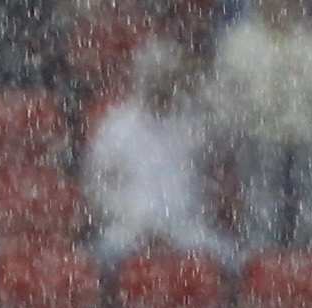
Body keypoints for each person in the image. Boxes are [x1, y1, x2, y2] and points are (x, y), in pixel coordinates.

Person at [207, 0, 312, 251]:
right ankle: (262, 249)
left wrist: (297, 90)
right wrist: (273, 95)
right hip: (256, 134)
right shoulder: (239, 42)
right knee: (264, 159)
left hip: (306, 135)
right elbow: (228, 98)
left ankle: (309, 248)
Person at [84, 39, 227, 263]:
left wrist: (172, 227)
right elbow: (99, 188)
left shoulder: (193, 126)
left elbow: (206, 183)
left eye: (167, 78)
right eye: (155, 78)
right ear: (141, 79)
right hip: (130, 229)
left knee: (231, 262)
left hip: (184, 228)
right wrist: (136, 221)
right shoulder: (115, 128)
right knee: (99, 261)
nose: (160, 86)